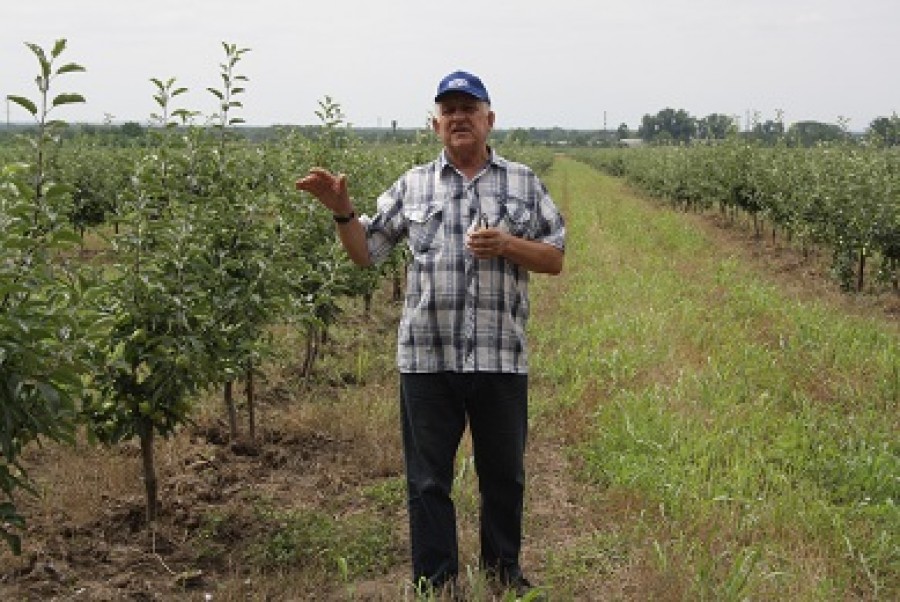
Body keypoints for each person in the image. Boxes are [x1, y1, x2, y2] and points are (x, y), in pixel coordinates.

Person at [295, 70, 565, 596]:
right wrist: (342, 212)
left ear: (490, 120)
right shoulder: (413, 184)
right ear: (435, 125)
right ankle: (437, 581)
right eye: (449, 110)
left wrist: (507, 244)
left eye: (470, 108)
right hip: (427, 358)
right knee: (427, 481)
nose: (459, 117)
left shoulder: (524, 182)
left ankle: (502, 573)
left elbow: (554, 257)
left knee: (504, 478)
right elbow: (364, 253)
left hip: (499, 355)